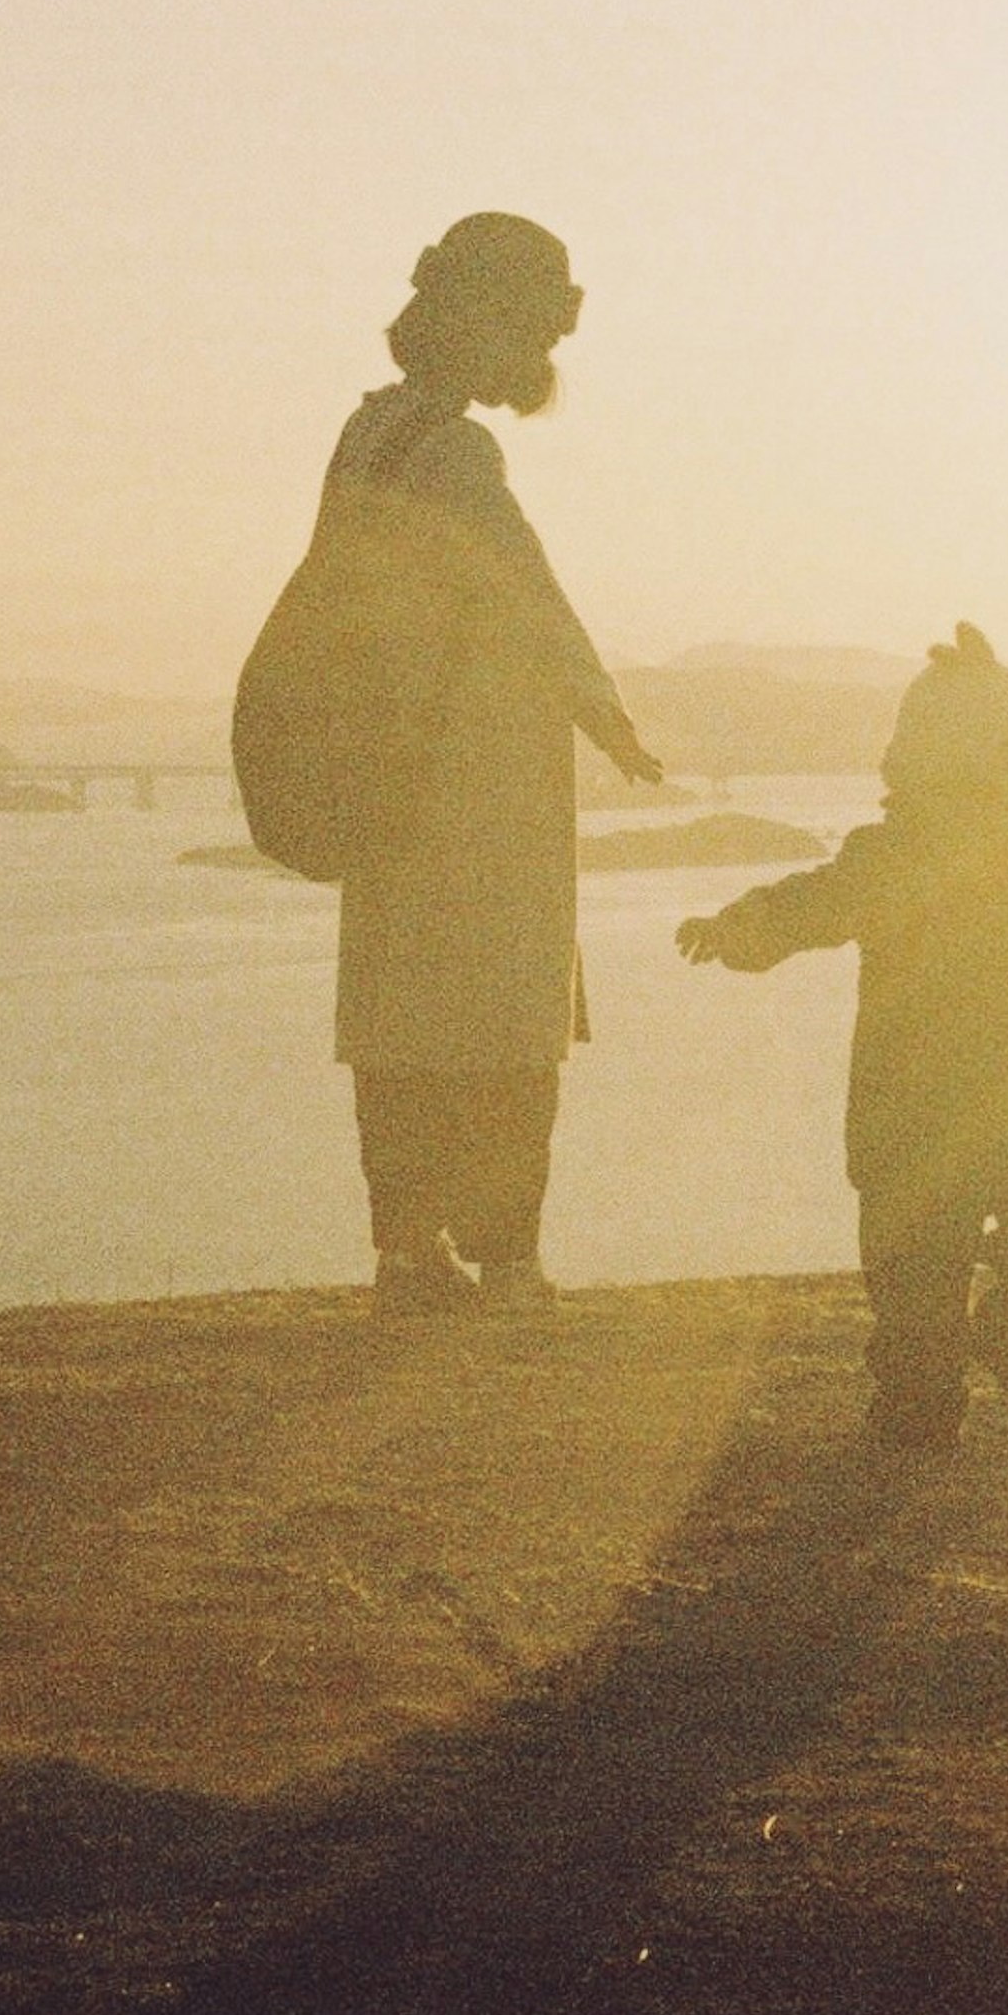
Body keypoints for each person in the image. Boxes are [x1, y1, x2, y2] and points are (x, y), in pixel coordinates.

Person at [676, 625, 1008, 1449]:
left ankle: (949, 1372)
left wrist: (739, 928)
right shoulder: (976, 853)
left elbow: (810, 905)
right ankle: (966, 1358)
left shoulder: (963, 854)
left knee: (928, 1259)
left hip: (933, 1098)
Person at [327, 213, 663, 1317]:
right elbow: (520, 588)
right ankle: (509, 1259)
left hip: (387, 761)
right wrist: (607, 715)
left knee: (401, 1025)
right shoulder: (454, 450)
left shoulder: (367, 435)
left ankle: (406, 1250)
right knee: (509, 1025)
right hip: (479, 779)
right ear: (492, 327)